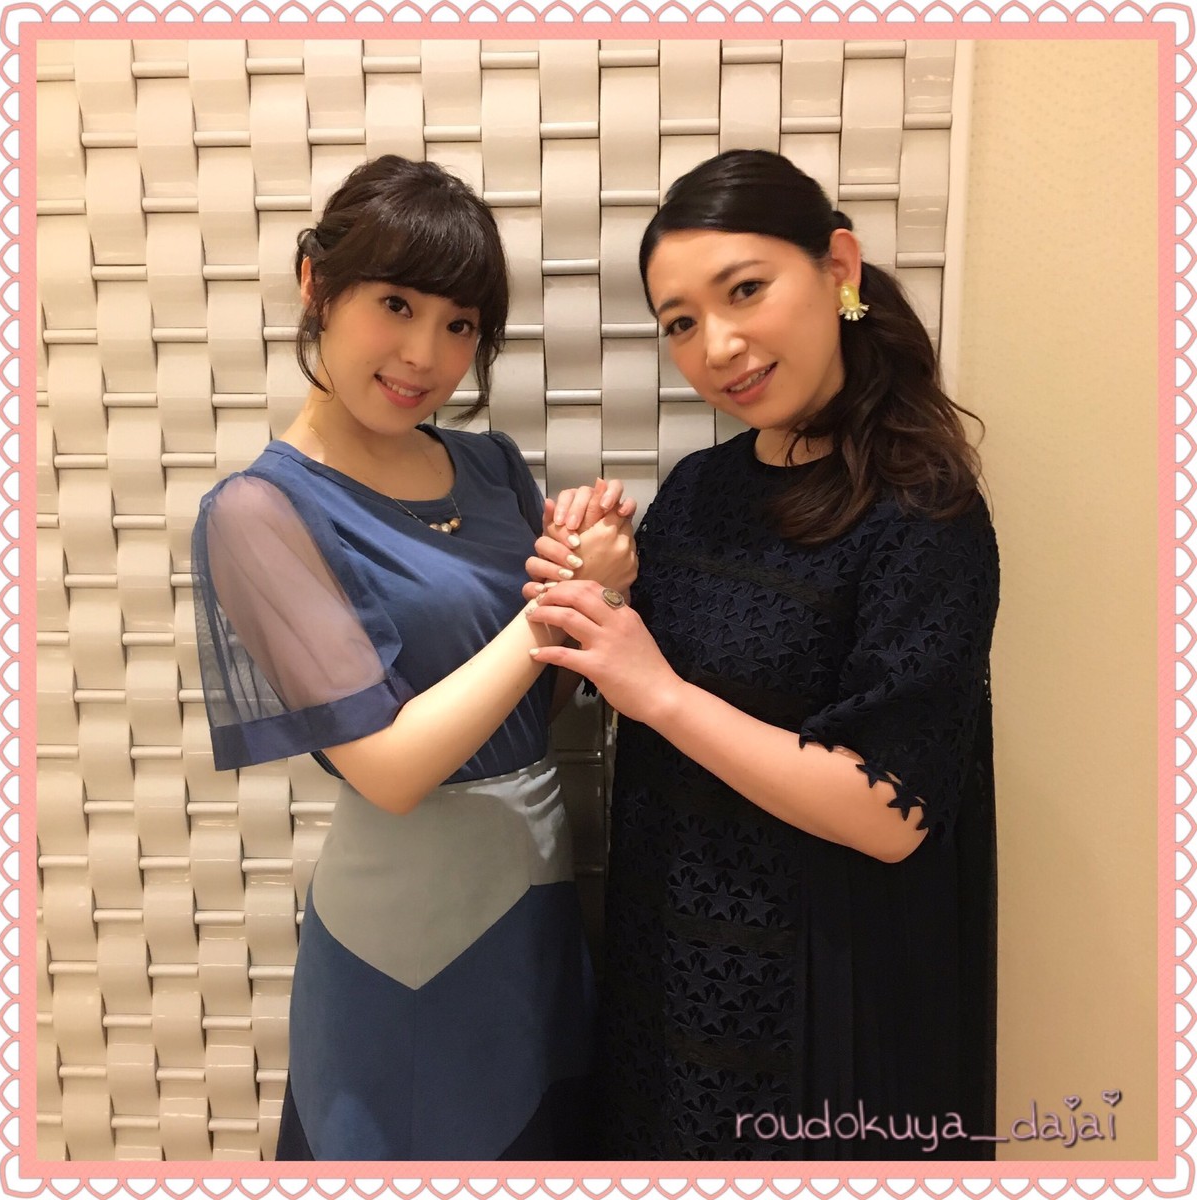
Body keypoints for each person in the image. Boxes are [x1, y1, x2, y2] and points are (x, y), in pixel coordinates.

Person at [525, 149, 1000, 1160]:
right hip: (668, 964)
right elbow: (659, 681)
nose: (719, 345)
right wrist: (603, 583)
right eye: (681, 322)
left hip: (819, 994)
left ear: (839, 268)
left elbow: (891, 815)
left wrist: (656, 691)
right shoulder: (701, 489)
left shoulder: (925, 515)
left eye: (745, 290)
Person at [190, 155, 637, 1161]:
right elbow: (388, 771)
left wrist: (597, 581)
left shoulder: (490, 466)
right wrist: (552, 612)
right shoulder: (260, 512)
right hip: (403, 937)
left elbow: (541, 704)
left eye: (459, 324)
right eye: (395, 304)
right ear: (317, 285)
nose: (425, 354)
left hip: (538, 892)